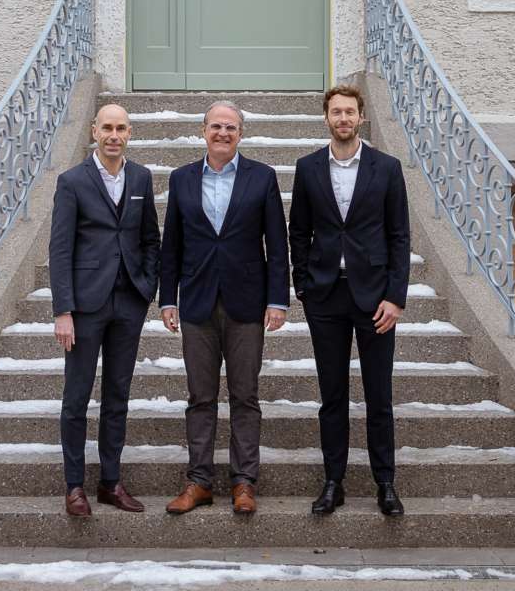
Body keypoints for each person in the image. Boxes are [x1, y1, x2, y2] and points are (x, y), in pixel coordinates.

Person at [159, 100, 289, 516]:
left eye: (231, 127)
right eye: (216, 126)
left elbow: (277, 243)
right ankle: (198, 481)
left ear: (241, 134)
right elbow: (171, 245)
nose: (223, 133)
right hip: (196, 303)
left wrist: (278, 299)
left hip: (247, 304)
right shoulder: (180, 180)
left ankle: (244, 482)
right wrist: (167, 298)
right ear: (203, 131)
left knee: (245, 396)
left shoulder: (262, 178)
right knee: (200, 397)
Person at [288, 83, 411, 517]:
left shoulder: (387, 168)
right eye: (336, 112)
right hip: (326, 296)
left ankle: (386, 483)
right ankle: (333, 481)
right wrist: (302, 284)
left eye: (350, 112)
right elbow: (297, 231)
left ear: (361, 118)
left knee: (379, 396)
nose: (343, 119)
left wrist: (396, 297)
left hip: (375, 299)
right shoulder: (308, 168)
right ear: (326, 117)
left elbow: (399, 236)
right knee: (332, 396)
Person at [48, 103, 161, 517]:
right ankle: (74, 485)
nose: (114, 135)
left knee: (118, 396)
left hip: (127, 302)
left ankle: (111, 482)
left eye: (121, 128)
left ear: (129, 133)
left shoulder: (141, 178)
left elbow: (150, 237)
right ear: (94, 131)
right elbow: (60, 250)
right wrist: (63, 310)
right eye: (107, 128)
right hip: (84, 307)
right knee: (76, 398)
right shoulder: (72, 181)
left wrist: (146, 288)